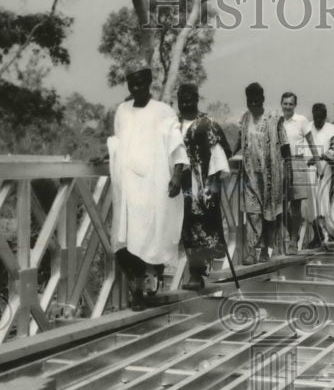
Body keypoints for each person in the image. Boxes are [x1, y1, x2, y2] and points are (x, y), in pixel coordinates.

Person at [106, 57, 188, 311]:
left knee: (153, 235)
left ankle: (149, 285)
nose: (136, 88)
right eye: (132, 84)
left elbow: (176, 146)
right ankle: (139, 289)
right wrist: (108, 153)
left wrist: (176, 175)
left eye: (141, 83)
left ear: (149, 82)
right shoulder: (122, 110)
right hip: (129, 187)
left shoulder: (163, 111)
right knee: (126, 239)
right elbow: (120, 142)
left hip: (154, 185)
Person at [176, 83, 233, 291]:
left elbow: (218, 155)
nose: (185, 102)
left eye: (189, 98)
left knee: (199, 227)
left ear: (197, 98)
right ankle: (192, 273)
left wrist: (211, 187)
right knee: (183, 228)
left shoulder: (207, 123)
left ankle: (196, 274)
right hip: (177, 184)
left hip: (201, 184)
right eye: (181, 98)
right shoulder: (173, 124)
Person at [235, 82, 287, 264]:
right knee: (252, 213)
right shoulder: (244, 118)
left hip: (272, 175)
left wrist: (288, 172)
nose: (254, 104)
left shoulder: (274, 117)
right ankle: (251, 250)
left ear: (263, 99)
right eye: (250, 101)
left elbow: (285, 144)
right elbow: (239, 142)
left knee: (269, 213)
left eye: (257, 101)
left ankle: (266, 248)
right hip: (251, 175)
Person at [280, 92, 320, 253]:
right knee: (280, 206)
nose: (287, 106)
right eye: (285, 103)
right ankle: (291, 233)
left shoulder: (301, 120)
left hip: (297, 162)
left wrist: (318, 161)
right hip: (281, 163)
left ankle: (293, 241)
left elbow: (311, 141)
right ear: (281, 104)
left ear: (294, 105)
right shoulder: (277, 121)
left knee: (296, 205)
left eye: (291, 104)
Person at [309, 103, 334, 245]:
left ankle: (331, 230)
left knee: (325, 201)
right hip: (308, 169)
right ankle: (317, 234)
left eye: (321, 115)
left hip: (327, 169)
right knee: (310, 203)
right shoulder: (307, 128)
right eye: (316, 114)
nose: (318, 118)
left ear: (325, 115)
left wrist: (319, 158)